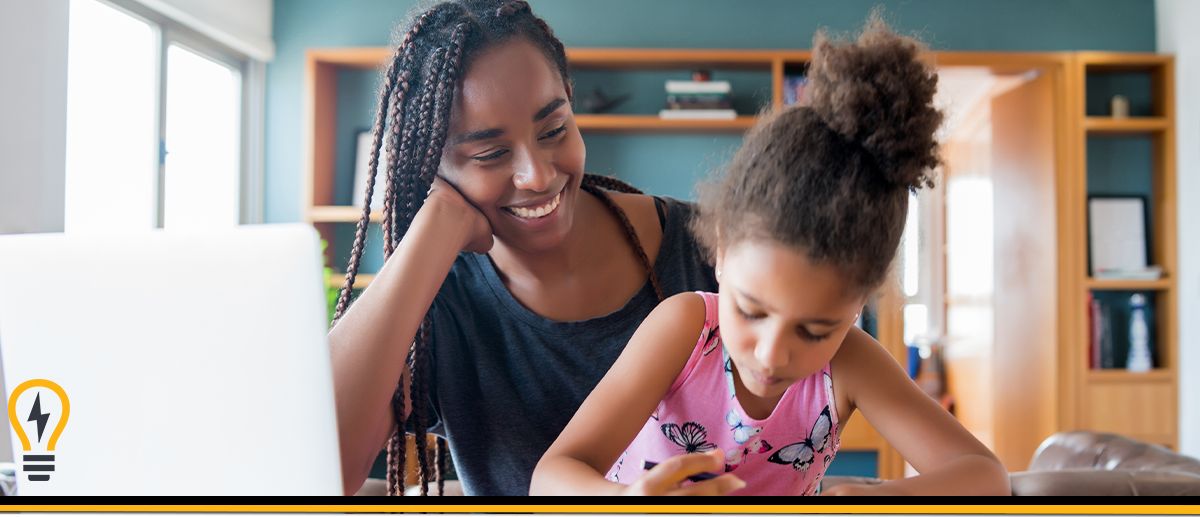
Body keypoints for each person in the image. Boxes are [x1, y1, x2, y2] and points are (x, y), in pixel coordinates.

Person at [530, 17, 1012, 496]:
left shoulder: (849, 363)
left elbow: (985, 475)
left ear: (859, 302)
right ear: (721, 250)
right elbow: (553, 476)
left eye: (814, 330)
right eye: (751, 310)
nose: (771, 354)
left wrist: (865, 497)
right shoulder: (685, 329)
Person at [326, 0, 719, 496]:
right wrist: (435, 227)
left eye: (554, 129)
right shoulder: (439, 306)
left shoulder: (705, 245)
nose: (538, 175)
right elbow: (316, 471)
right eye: (490, 154)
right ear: (433, 166)